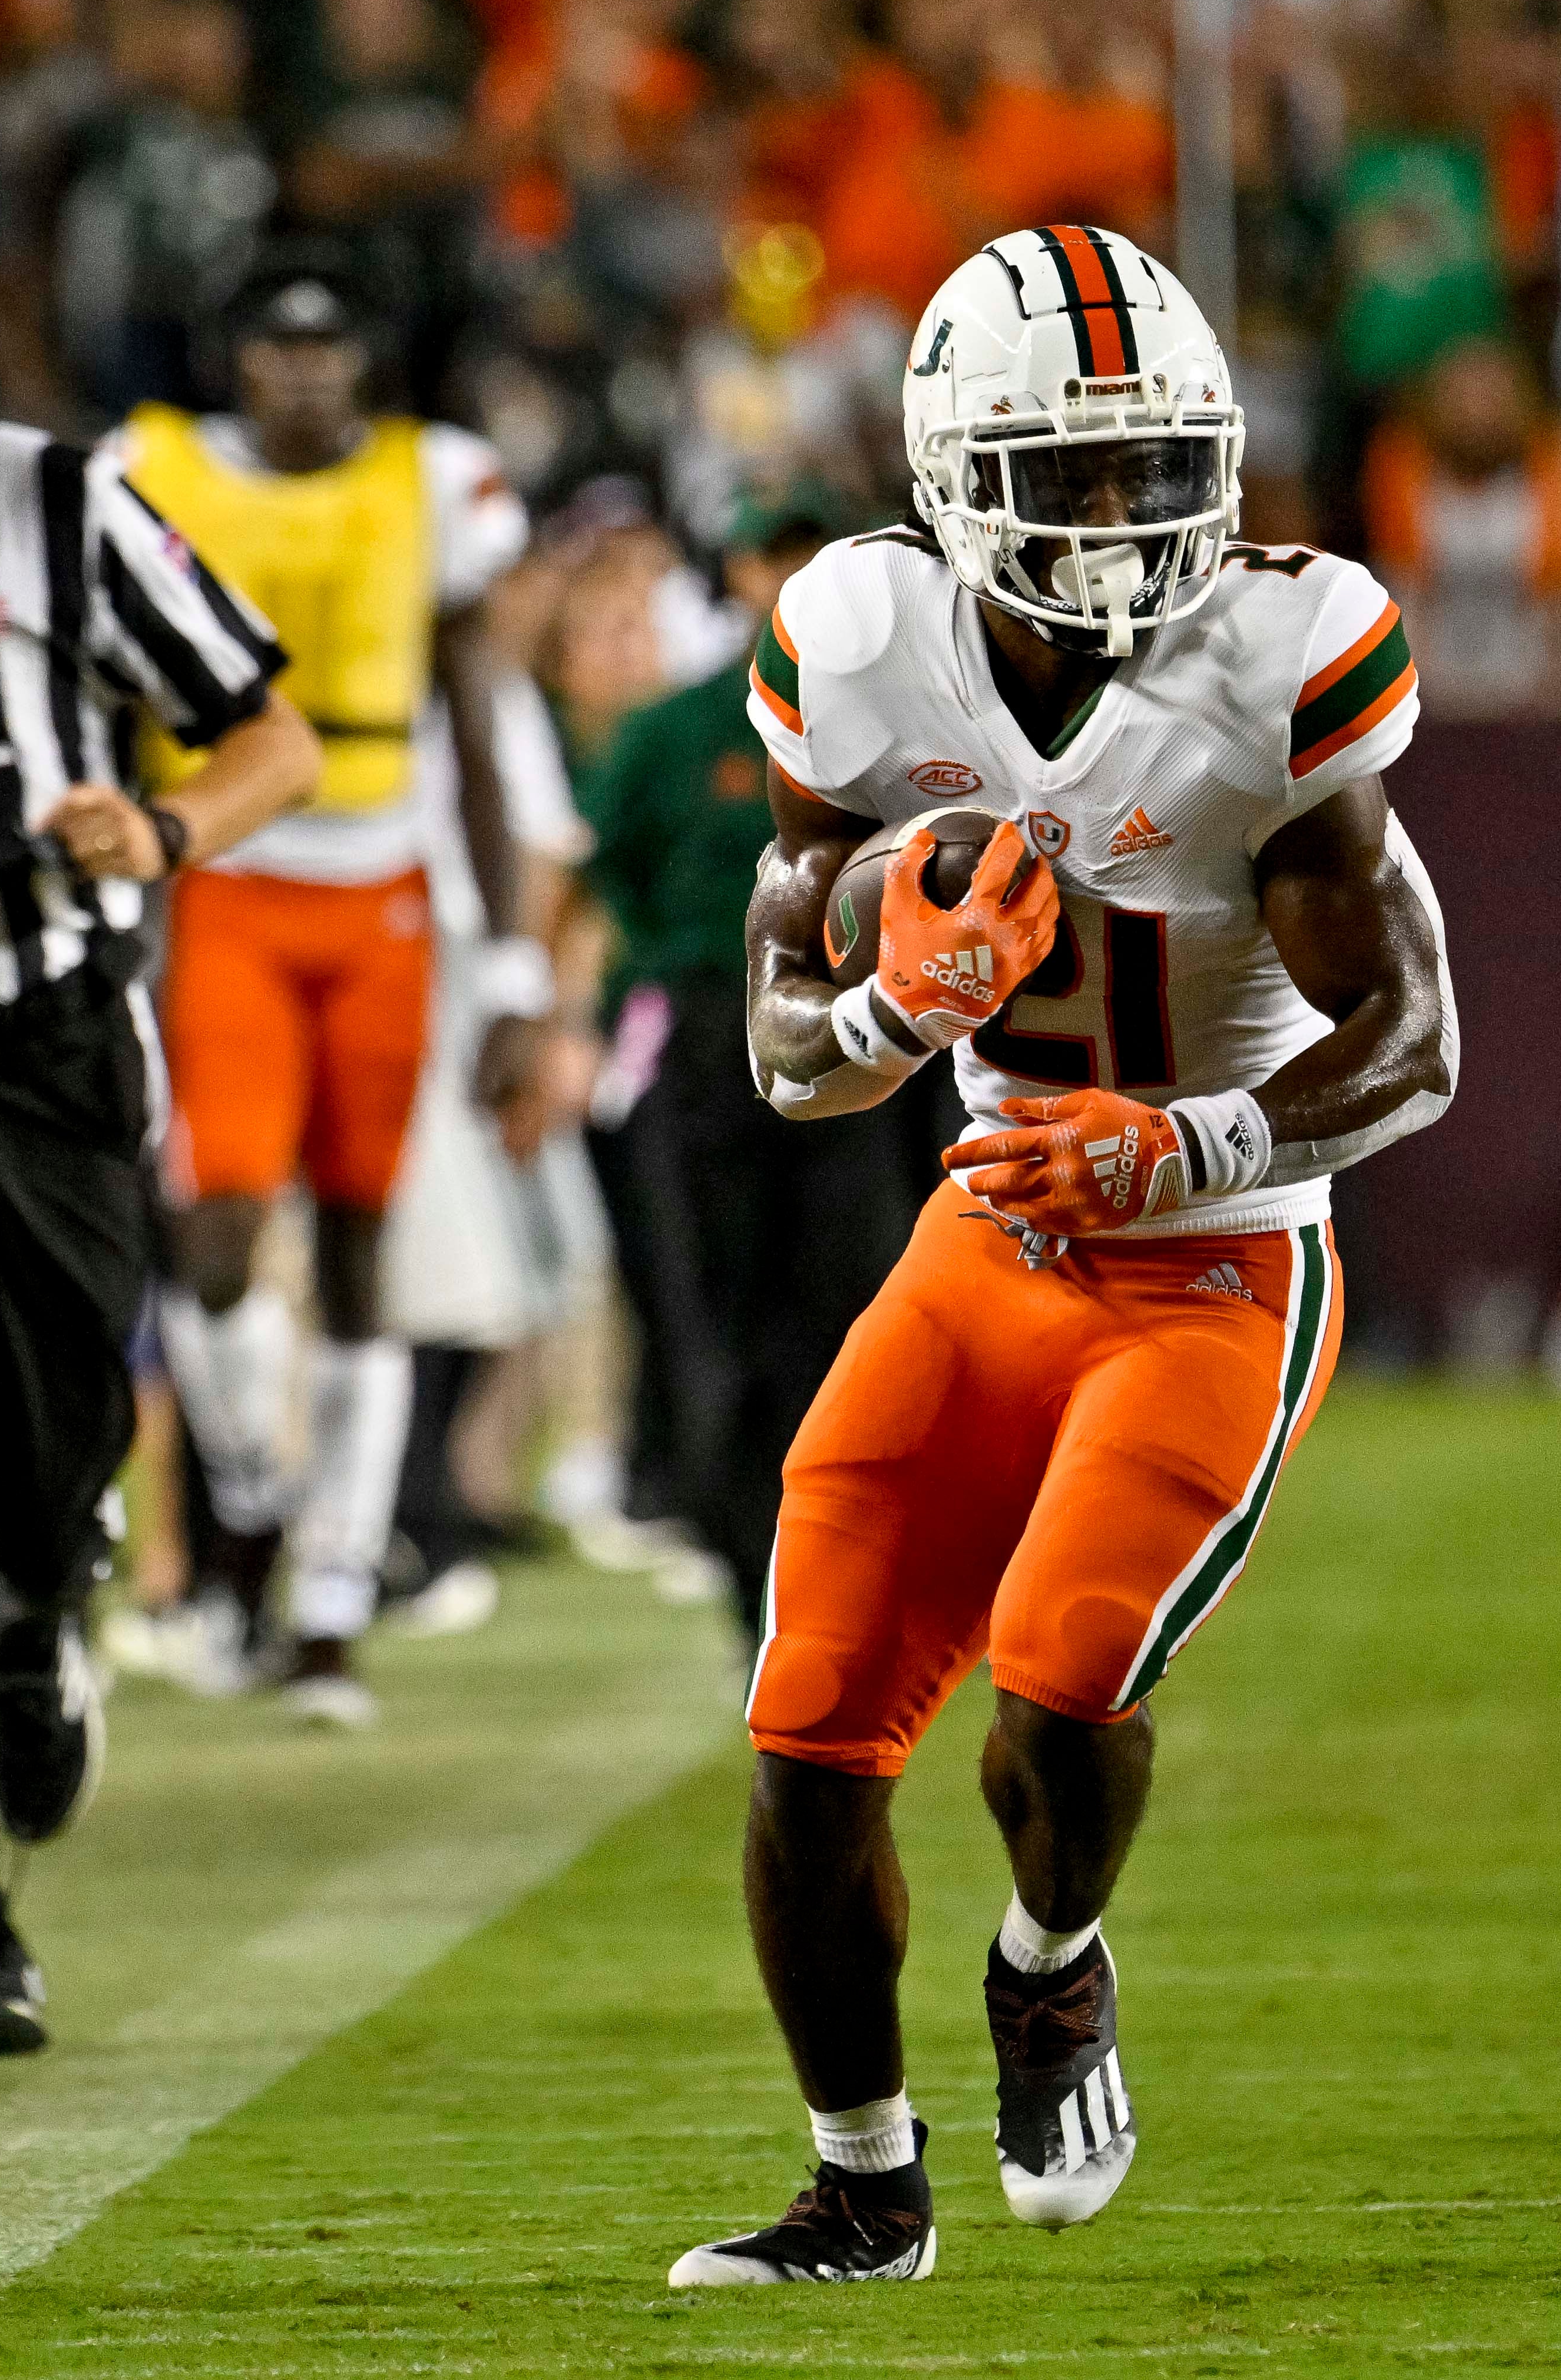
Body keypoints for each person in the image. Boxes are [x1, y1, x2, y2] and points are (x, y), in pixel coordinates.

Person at [669, 226, 1457, 2286]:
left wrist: (1183, 1134)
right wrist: (878, 1011)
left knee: (1060, 1677)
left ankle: (1053, 1957)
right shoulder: (854, 643)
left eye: (1152, 465)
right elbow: (781, 1050)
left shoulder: (1279, 655)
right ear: (948, 466)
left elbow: (1415, 1045)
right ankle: (862, 2181)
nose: (1120, 516)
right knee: (807, 1719)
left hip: (1215, 1259)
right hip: (991, 1227)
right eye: (1073, 471)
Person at [0, 190, 318, 2057]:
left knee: (49, 1440)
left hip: (47, 1053)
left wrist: (167, 831)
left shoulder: (56, 503)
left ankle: (46, 1608)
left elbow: (269, 732)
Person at [116, 256, 537, 1728]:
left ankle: (336, 1595)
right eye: (277, 348)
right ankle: (249, 1484)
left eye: (327, 348)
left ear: (363, 360)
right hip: (223, 875)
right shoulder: (151, 469)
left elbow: (473, 729)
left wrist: (514, 966)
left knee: (360, 1242)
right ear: (237, 359)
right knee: (219, 1221)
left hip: (384, 890)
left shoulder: (434, 484)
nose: (303, 374)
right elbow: (112, 697)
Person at [576, 480, 920, 1642]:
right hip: (711, 1042)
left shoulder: (901, 726)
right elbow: (603, 875)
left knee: (854, 1314)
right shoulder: (677, 730)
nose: (791, 576)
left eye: (814, 553)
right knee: (712, 1324)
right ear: (734, 575)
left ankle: (839, 1579)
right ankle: (752, 1586)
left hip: (852, 1040)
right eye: (773, 554)